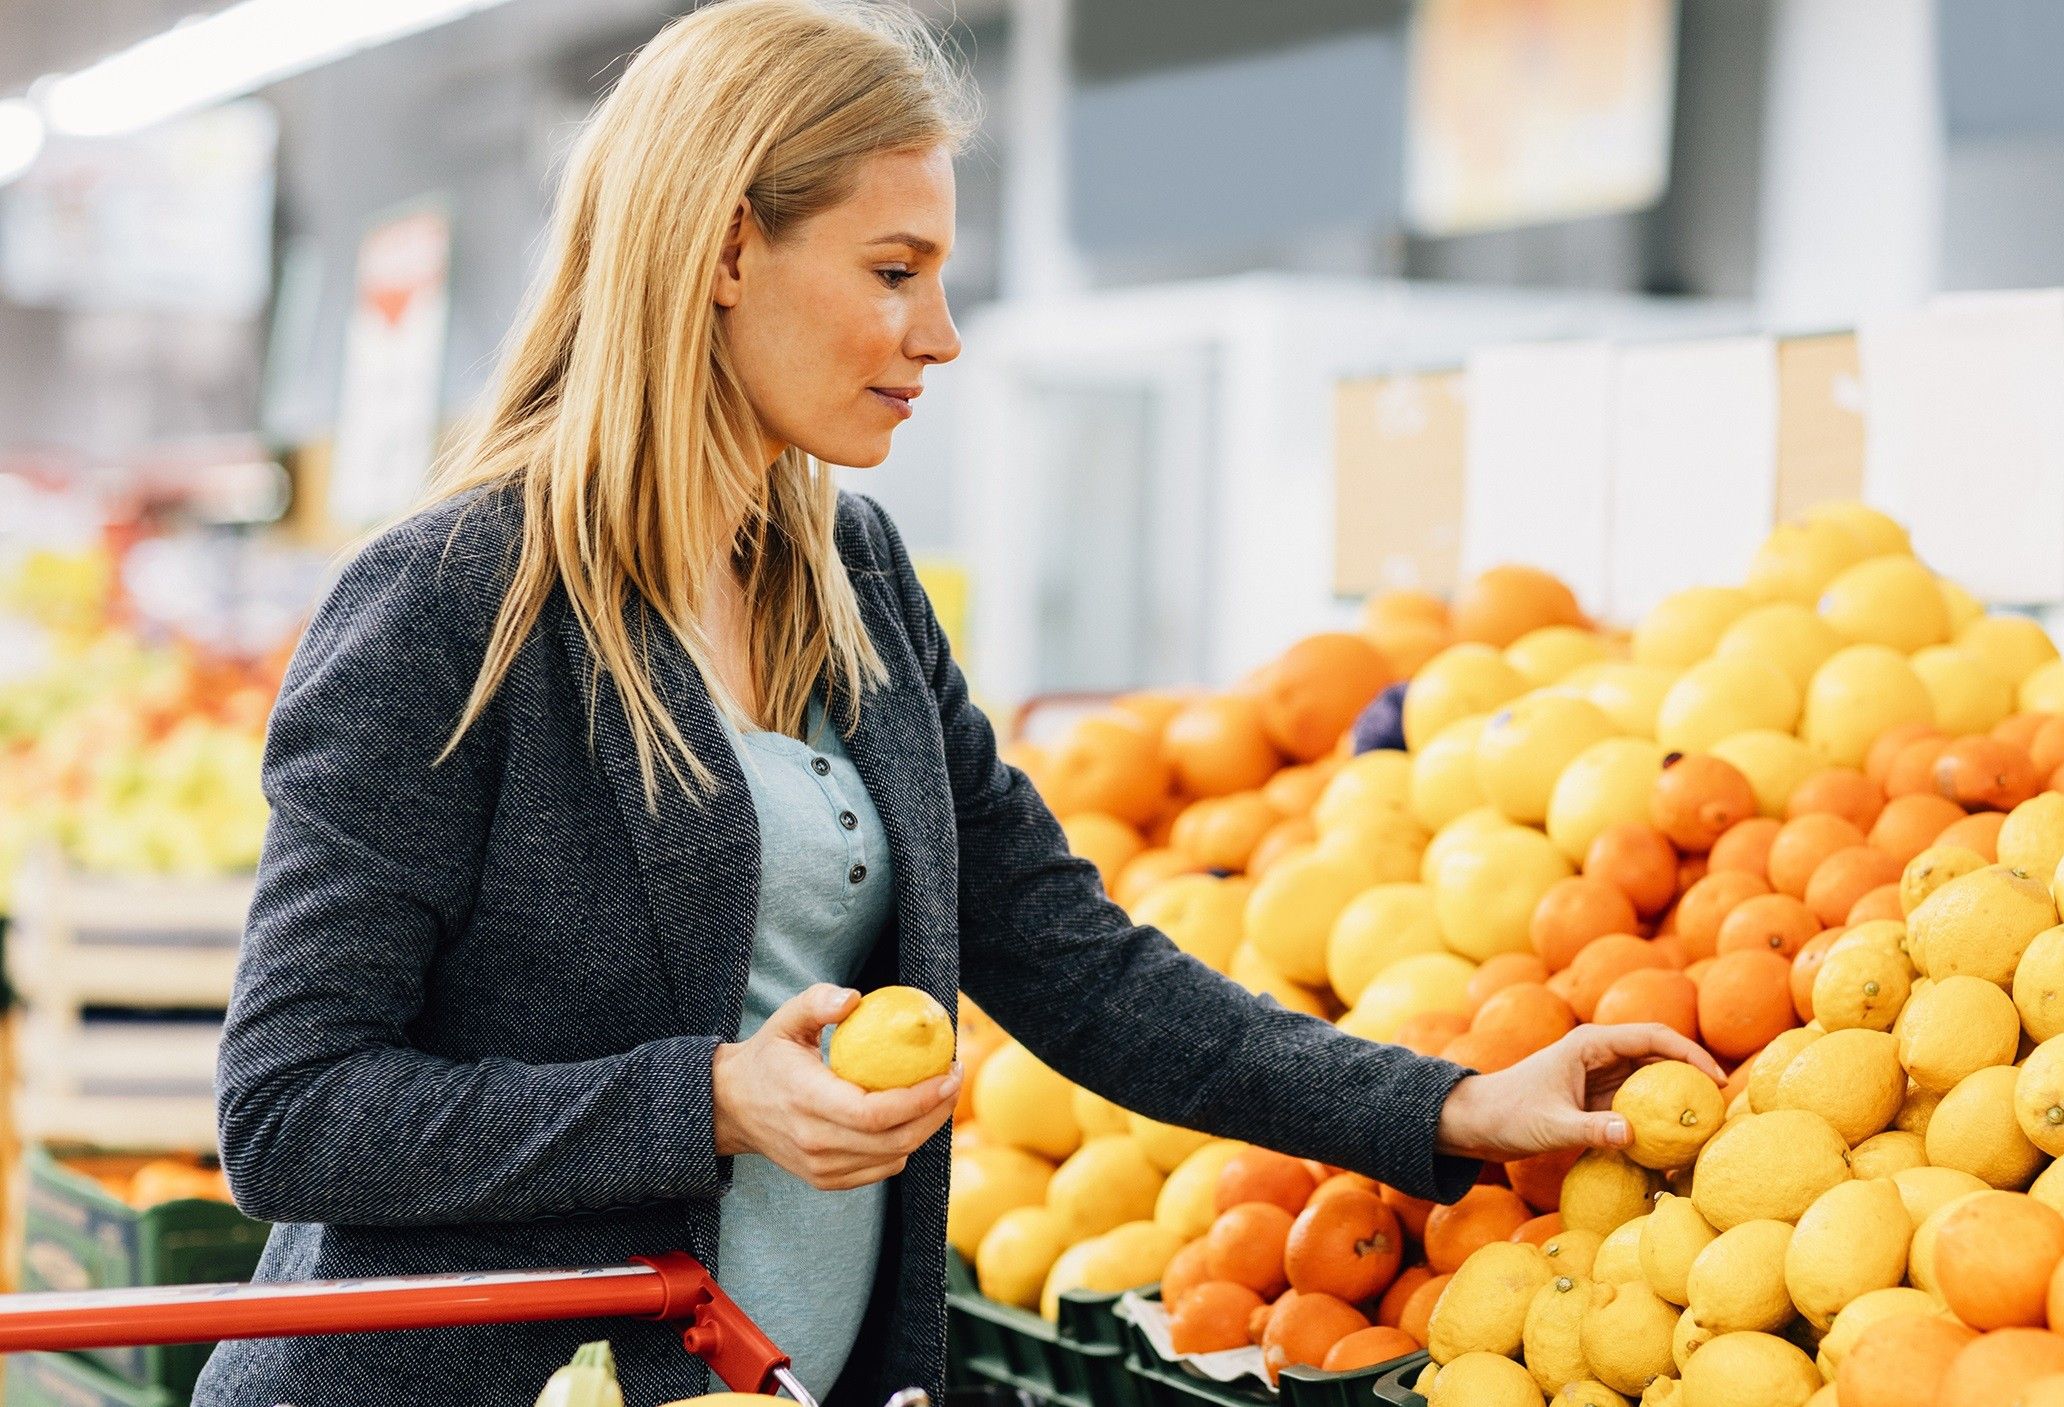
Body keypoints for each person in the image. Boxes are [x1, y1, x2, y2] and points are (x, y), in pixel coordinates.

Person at [193, 3, 1720, 1404]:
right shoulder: (456, 602)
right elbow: (289, 1110)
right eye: (891, 271)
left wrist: (1448, 1108)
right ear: (725, 251)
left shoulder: (846, 576)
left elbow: (1079, 963)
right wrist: (706, 1101)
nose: (940, 336)